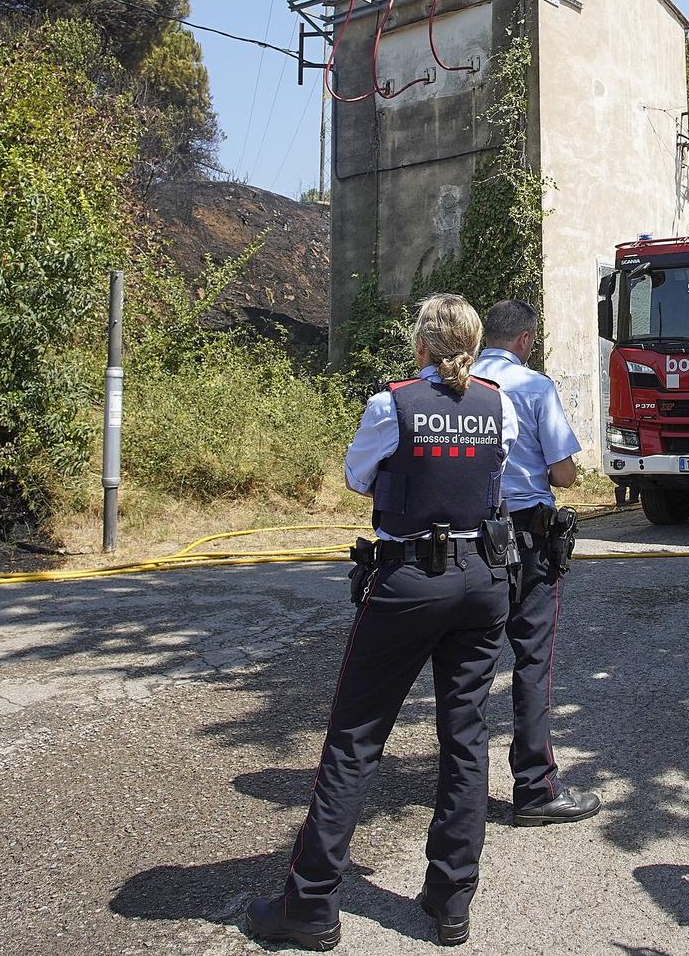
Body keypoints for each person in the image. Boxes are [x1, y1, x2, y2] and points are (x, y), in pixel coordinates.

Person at [247, 294, 521, 951]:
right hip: (482, 580)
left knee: (355, 737)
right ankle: (451, 899)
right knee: (466, 738)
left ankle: (311, 903)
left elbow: (356, 475)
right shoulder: (497, 403)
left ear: (420, 346)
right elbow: (495, 474)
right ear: (475, 346)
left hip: (410, 580)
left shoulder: (390, 404)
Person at [470, 299, 601, 828]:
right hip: (525, 536)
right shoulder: (534, 387)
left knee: (469, 668)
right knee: (532, 665)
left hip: (468, 540)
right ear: (525, 339)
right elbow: (565, 474)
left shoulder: (452, 384)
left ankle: (463, 789)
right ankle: (534, 787)